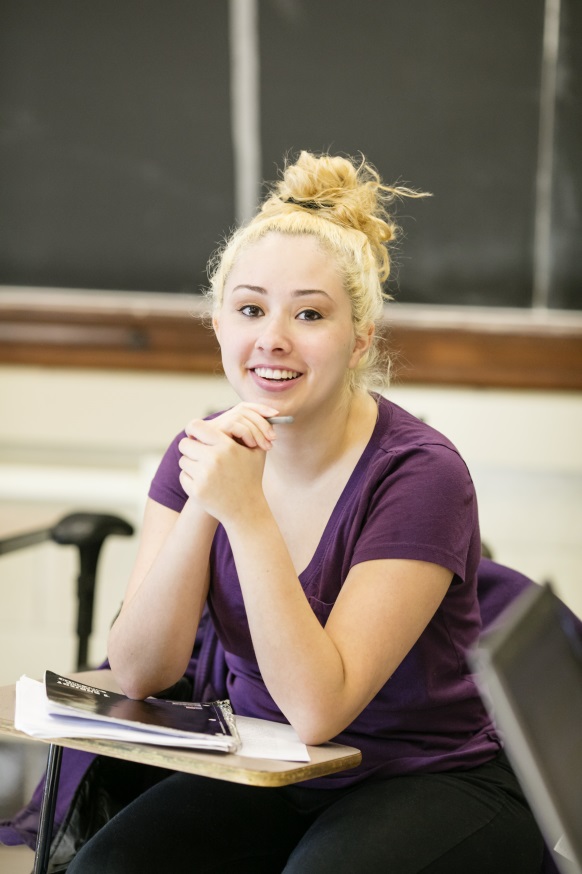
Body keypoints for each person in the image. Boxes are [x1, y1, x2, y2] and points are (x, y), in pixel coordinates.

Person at [68, 151, 544, 873]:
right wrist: (207, 501)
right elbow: (139, 671)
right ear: (220, 326)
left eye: (310, 314)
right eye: (250, 309)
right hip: (271, 768)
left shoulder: (421, 474)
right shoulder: (200, 450)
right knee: (109, 867)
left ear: (359, 341)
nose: (274, 339)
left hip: (426, 776)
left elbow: (321, 710)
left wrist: (247, 515)